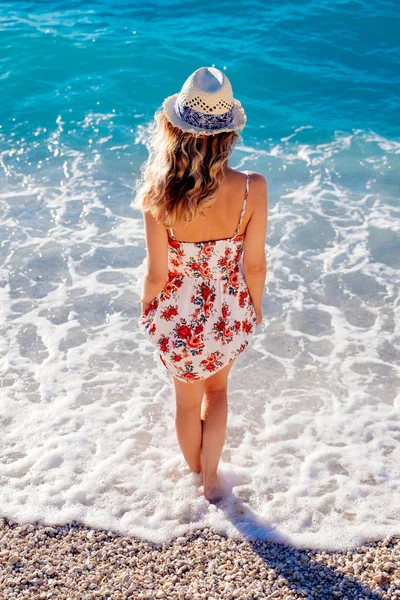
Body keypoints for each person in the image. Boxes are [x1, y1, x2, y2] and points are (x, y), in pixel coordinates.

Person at [134, 66, 268, 503]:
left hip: (179, 310)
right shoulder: (252, 188)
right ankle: (212, 476)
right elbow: (255, 263)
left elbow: (156, 272)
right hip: (229, 306)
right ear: (228, 133)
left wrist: (147, 306)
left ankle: (196, 476)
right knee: (219, 390)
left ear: (176, 128)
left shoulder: (160, 193)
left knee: (188, 403)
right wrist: (255, 307)